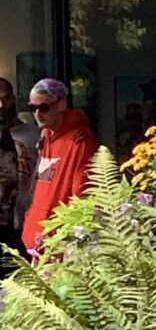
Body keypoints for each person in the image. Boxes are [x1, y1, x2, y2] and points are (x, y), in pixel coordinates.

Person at [21, 78, 98, 254]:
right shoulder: (46, 134)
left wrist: (68, 240)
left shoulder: (81, 141)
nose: (37, 114)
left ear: (61, 105)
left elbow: (82, 198)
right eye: (33, 108)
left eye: (44, 107)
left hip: (59, 245)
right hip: (38, 241)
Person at [0, 78, 37, 239]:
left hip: (28, 218)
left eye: (6, 98)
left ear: (13, 99)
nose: (1, 105)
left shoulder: (35, 134)